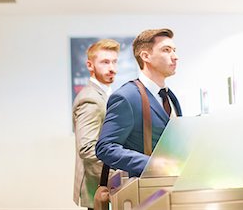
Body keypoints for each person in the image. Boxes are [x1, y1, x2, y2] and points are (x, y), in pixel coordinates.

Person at [95, 28, 182, 178]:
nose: (175, 57)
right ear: (146, 56)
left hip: (173, 186)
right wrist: (150, 163)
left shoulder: (171, 97)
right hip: (145, 191)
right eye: (166, 50)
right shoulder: (126, 97)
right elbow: (105, 148)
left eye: (174, 50)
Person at [73, 39, 120, 210]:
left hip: (106, 186)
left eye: (115, 61)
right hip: (98, 186)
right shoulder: (90, 99)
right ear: (90, 65)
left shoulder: (106, 94)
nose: (112, 68)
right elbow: (87, 148)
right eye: (105, 62)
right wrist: (120, 170)